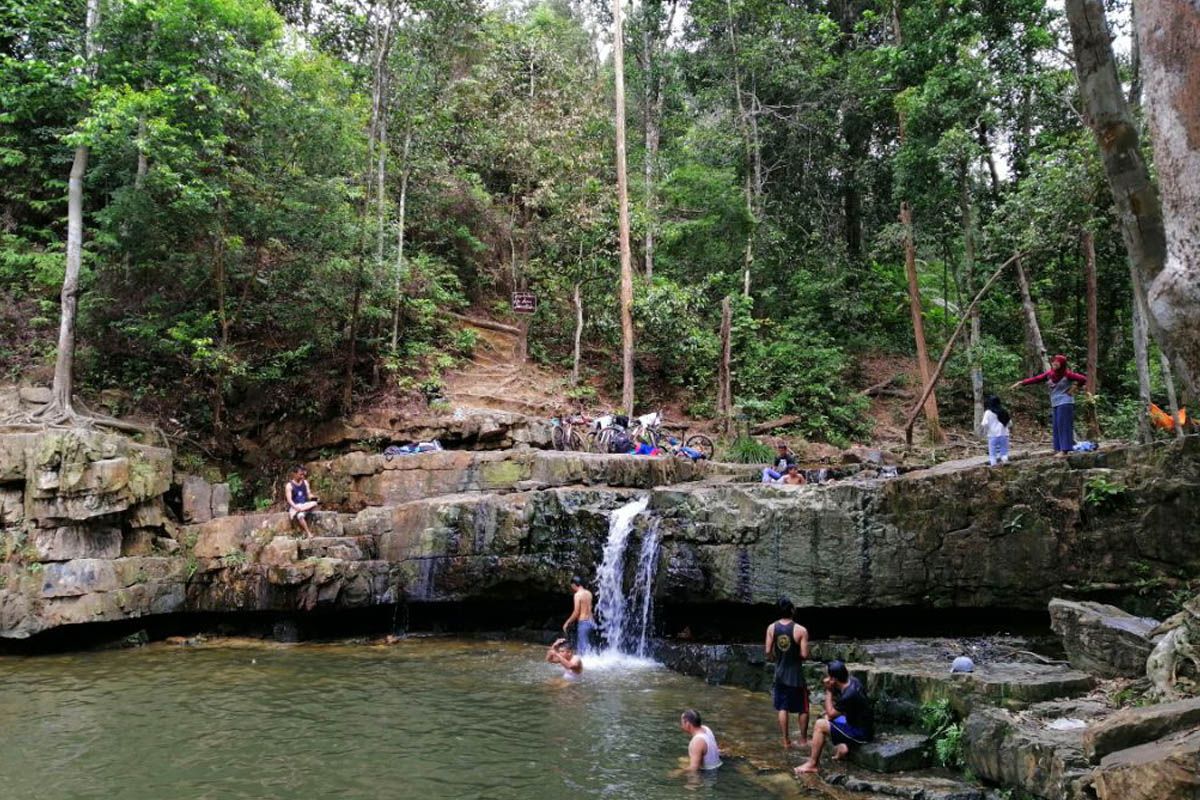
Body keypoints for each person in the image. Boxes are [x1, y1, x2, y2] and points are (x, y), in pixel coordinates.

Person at [795, 660, 874, 774]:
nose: (827, 678)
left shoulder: (849, 695)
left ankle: (812, 764)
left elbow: (831, 713)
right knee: (825, 717)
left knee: (820, 725)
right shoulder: (853, 681)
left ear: (834, 679)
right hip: (858, 723)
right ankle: (842, 746)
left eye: (829, 676)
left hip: (860, 733)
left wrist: (828, 690)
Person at [1010, 355, 1087, 456]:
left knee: (1063, 425)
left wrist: (1074, 388)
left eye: (1057, 362)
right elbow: (1036, 379)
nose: (1054, 363)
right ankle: (1058, 448)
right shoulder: (1050, 374)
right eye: (1054, 362)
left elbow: (1083, 379)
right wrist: (1021, 383)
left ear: (1062, 364)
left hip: (1065, 402)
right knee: (1056, 426)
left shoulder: (1067, 374)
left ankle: (1065, 450)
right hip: (1055, 403)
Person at [765, 597, 811, 749]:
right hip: (796, 674)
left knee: (782, 707)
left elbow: (767, 652)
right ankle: (804, 740)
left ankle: (786, 741)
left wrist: (776, 659)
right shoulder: (801, 630)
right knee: (803, 708)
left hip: (780, 674)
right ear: (792, 610)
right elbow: (804, 655)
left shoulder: (771, 628)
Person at [562, 576, 596, 655]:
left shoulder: (577, 595)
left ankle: (583, 666)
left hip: (583, 622)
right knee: (589, 647)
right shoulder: (589, 593)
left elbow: (576, 612)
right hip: (591, 622)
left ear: (574, 585)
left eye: (571, 586)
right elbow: (590, 608)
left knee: (582, 650)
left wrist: (567, 622)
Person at [284, 466, 319, 536]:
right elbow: (289, 500)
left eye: (303, 474)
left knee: (314, 503)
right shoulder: (289, 485)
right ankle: (308, 533)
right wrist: (296, 507)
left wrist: (314, 497)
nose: (302, 476)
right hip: (295, 506)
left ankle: (302, 510)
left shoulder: (305, 483)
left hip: (304, 505)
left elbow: (309, 495)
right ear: (294, 474)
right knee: (300, 515)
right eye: (300, 474)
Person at [980, 394, 1012, 466]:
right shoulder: (1004, 411)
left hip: (992, 435)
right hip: (1004, 435)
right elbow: (1010, 423)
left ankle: (993, 465)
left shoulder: (988, 412)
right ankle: (1005, 462)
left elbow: (984, 424)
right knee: (1004, 452)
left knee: (992, 453)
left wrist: (985, 432)